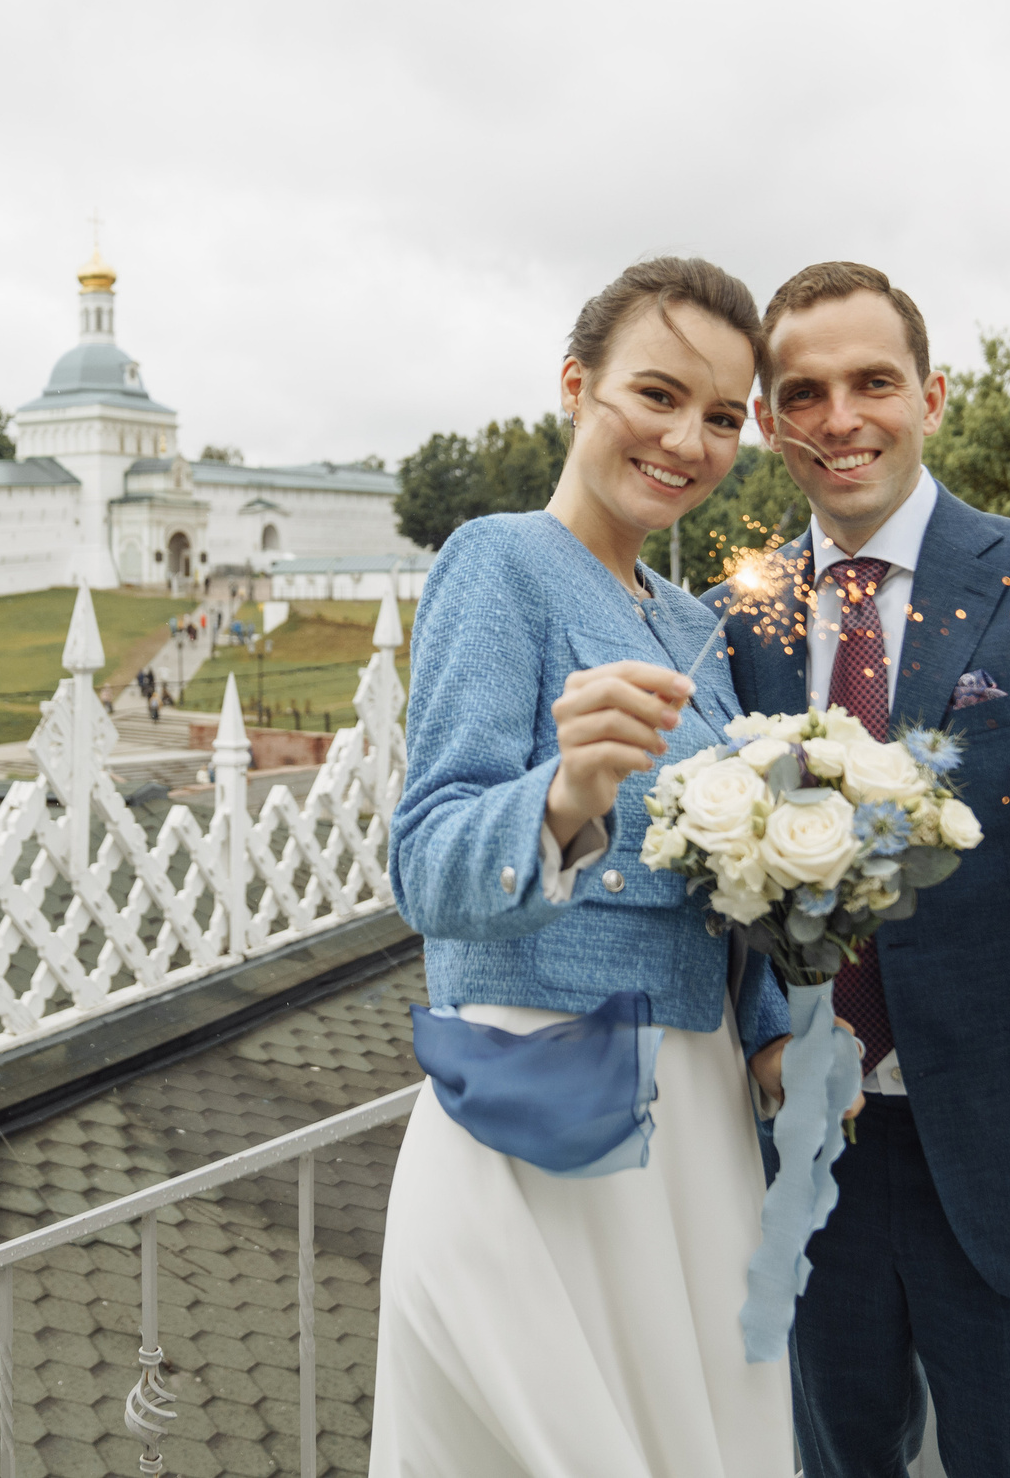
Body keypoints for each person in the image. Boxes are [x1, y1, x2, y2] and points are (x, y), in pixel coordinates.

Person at [707, 263, 1010, 1476]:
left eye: (873, 382)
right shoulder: (729, 621)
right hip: (806, 1154)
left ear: (929, 396)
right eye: (803, 393)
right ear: (768, 420)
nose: (840, 418)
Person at [371, 257, 806, 1478]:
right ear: (575, 385)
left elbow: (728, 885)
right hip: (545, 1096)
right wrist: (564, 795)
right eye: (656, 395)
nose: (686, 441)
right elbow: (426, 864)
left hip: (701, 1115)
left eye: (720, 416)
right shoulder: (497, 561)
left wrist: (773, 1033)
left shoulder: (695, 623)